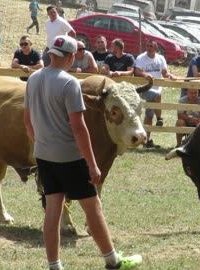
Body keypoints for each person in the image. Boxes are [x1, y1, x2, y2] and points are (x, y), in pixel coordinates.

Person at [23, 35, 142, 270]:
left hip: (44, 155)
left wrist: (40, 144)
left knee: (53, 210)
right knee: (93, 207)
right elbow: (79, 128)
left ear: (50, 54)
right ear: (69, 57)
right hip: (70, 157)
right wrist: (92, 163)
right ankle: (113, 260)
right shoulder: (70, 84)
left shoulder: (33, 79)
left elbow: (28, 121)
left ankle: (54, 265)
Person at [134, 39, 176, 148]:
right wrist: (145, 75)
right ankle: (160, 118)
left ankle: (146, 141)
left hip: (156, 88)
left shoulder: (160, 58)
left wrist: (170, 76)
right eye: (147, 45)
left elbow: (165, 73)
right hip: (143, 88)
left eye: (151, 46)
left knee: (149, 114)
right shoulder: (141, 58)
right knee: (157, 96)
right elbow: (136, 71)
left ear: (156, 48)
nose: (149, 48)